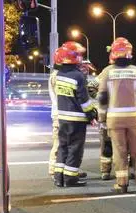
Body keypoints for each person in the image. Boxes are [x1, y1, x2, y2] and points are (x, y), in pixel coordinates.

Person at [97, 37, 136, 194]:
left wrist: (102, 119)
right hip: (134, 118)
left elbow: (102, 98)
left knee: (119, 151)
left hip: (114, 120)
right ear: (129, 53)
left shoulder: (107, 72)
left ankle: (122, 184)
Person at [53, 42, 96, 187]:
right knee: (75, 149)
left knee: (63, 147)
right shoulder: (78, 76)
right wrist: (92, 114)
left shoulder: (59, 75)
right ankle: (70, 178)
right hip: (76, 119)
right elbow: (83, 100)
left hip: (63, 118)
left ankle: (59, 177)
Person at [48, 48, 87, 180]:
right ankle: (56, 171)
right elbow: (77, 97)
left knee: (63, 145)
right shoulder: (61, 75)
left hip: (61, 114)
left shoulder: (57, 74)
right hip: (65, 114)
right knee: (62, 145)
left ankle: (62, 172)